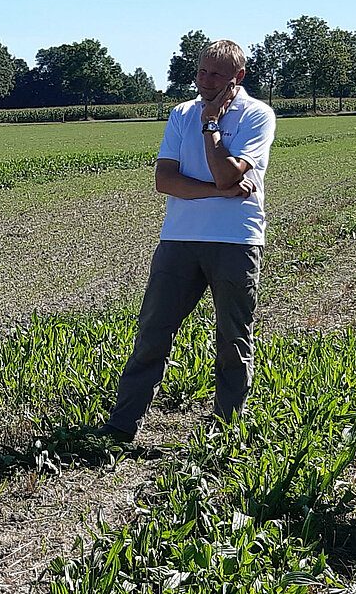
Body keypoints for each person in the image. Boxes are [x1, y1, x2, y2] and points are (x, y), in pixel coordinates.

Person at [105, 39, 277, 437]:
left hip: (236, 240)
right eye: (201, 71)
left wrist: (212, 124)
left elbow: (225, 171)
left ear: (239, 76)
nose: (205, 80)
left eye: (216, 73)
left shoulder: (258, 115)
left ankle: (226, 430)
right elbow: (165, 180)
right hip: (178, 239)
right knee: (152, 332)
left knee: (233, 338)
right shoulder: (180, 113)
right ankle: (122, 426)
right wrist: (220, 192)